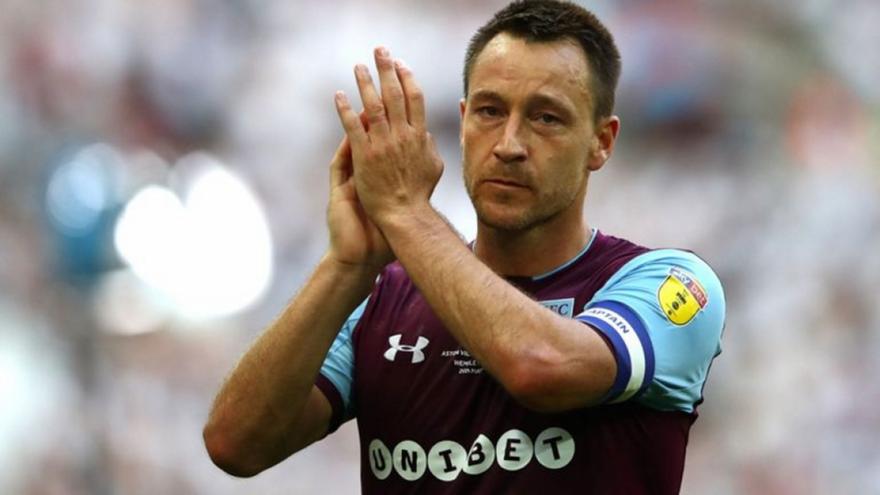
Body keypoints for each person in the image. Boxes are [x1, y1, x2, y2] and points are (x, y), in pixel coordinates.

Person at [203, 1, 725, 493]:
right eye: (490, 111)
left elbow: (539, 367)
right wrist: (346, 266)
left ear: (601, 141)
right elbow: (235, 445)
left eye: (546, 117)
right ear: (463, 119)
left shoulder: (670, 283)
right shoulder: (382, 299)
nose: (509, 145)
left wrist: (407, 214)